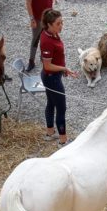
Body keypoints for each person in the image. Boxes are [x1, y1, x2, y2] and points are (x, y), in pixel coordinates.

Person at [40, 9, 78, 145]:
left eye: (62, 22)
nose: (61, 26)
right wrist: (64, 68)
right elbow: (47, 65)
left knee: (51, 103)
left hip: (53, 76)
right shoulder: (47, 41)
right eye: (58, 23)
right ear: (49, 25)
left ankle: (50, 133)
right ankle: (63, 140)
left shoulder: (52, 33)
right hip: (51, 78)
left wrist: (62, 69)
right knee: (61, 108)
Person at [25, 0, 60, 72]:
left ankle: (45, 57)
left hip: (49, 17)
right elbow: (28, 3)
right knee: (35, 39)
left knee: (48, 38)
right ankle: (31, 61)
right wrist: (32, 19)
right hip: (37, 18)